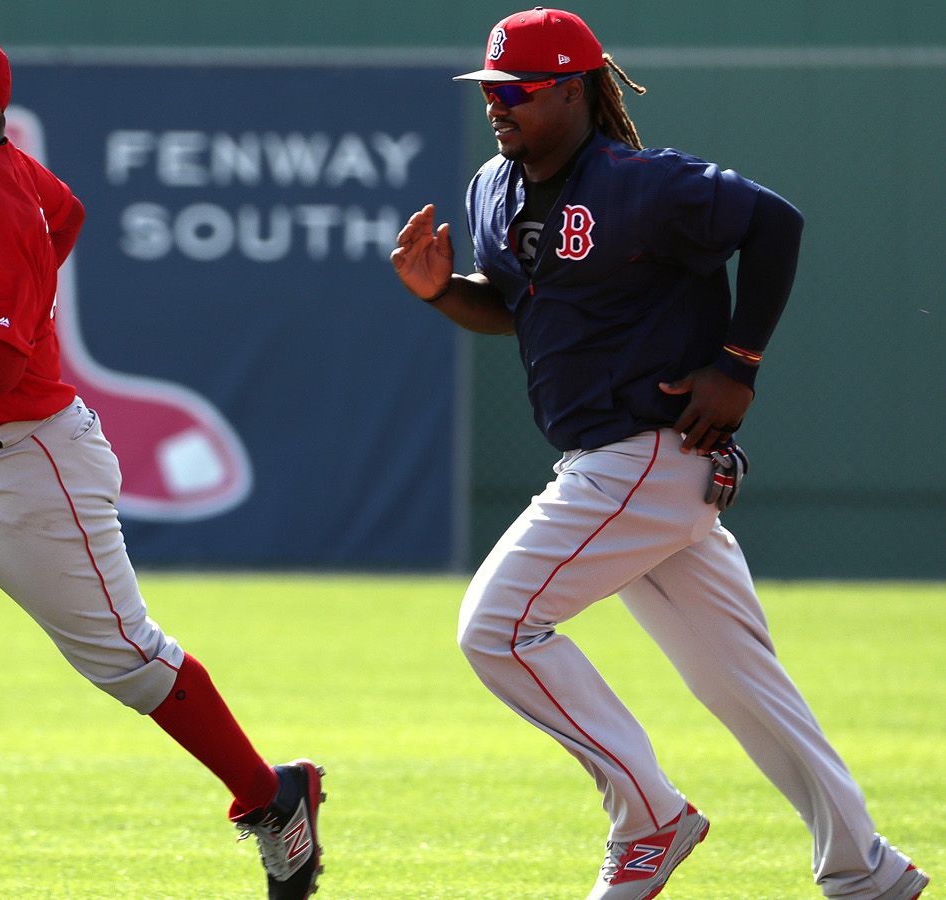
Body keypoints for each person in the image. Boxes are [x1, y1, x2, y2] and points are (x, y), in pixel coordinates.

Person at [391, 8, 928, 899]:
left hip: (642, 448)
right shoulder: (497, 185)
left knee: (495, 627)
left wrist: (738, 363)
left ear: (572, 89)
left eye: (517, 90)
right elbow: (514, 302)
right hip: (621, 465)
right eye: (490, 90)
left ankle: (650, 817)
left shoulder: (644, 183)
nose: (499, 106)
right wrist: (445, 291)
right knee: (744, 686)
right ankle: (864, 869)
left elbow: (776, 225)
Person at [0, 28, 324, 900]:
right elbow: (71, 212)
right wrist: (22, 291)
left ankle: (271, 797)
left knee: (128, 661)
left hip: (23, 464)